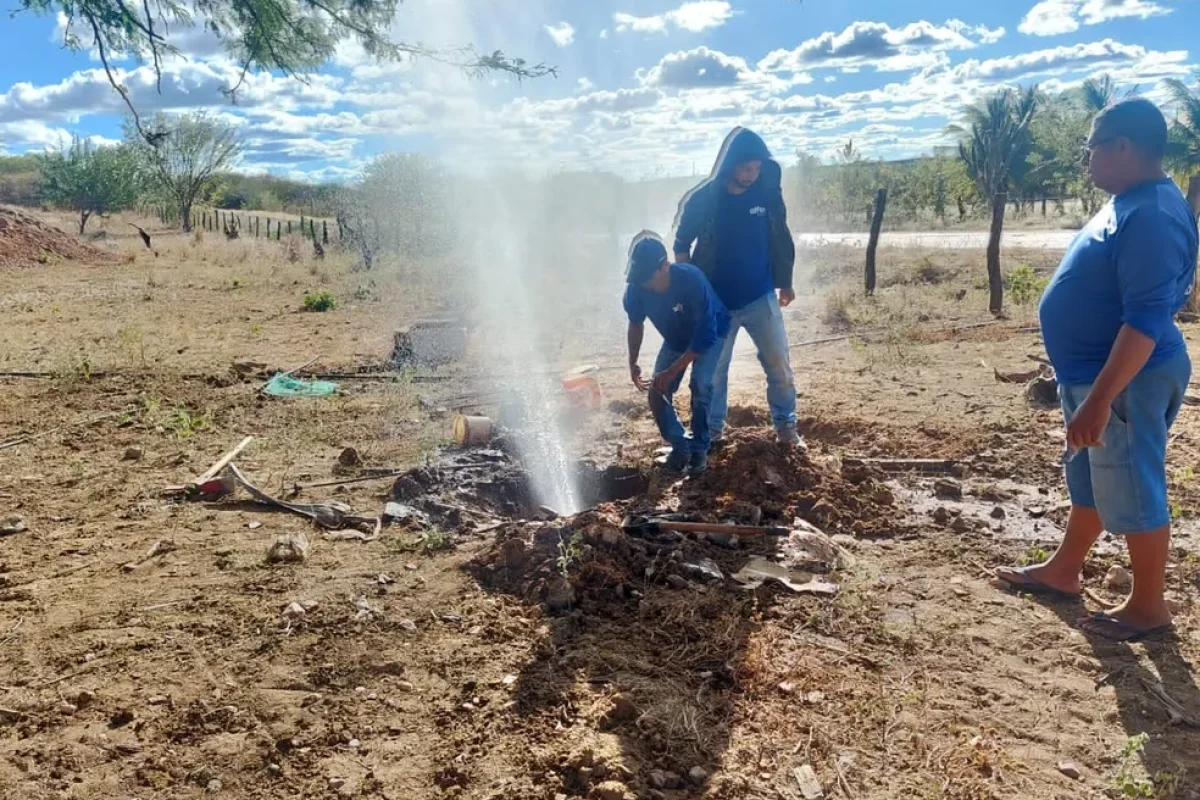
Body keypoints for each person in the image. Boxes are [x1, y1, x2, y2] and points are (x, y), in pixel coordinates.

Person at [994, 98, 1197, 642]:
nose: (1087, 163)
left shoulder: (1152, 215)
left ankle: (1149, 606)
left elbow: (1145, 322)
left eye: (1091, 150)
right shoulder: (1135, 201)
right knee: (1092, 478)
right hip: (1099, 376)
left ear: (1123, 146)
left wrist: (1102, 398)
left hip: (1126, 379)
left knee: (1133, 482)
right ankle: (1064, 570)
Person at [672, 126, 799, 448]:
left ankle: (786, 428)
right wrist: (691, 290)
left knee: (779, 365)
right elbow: (682, 243)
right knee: (713, 374)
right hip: (717, 305)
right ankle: (713, 434)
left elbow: (780, 236)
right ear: (730, 165)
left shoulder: (766, 193)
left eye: (757, 168)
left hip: (761, 297)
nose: (753, 174)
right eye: (747, 168)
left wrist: (785, 283)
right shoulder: (705, 200)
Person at [624, 232, 731, 476]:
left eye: (648, 279)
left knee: (701, 385)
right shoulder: (636, 289)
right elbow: (635, 323)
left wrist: (672, 371)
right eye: (639, 280)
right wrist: (633, 362)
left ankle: (700, 450)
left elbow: (705, 335)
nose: (644, 285)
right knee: (657, 391)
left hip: (712, 333)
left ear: (665, 266)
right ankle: (680, 446)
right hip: (676, 338)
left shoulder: (691, 280)